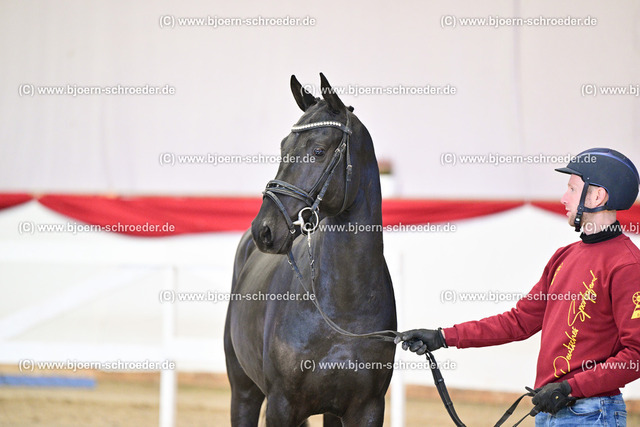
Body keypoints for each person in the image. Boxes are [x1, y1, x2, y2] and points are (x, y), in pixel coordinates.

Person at [397, 148, 640, 426]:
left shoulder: (627, 265)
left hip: (592, 413)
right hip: (551, 409)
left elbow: (636, 354)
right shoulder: (564, 256)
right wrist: (443, 337)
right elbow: (519, 321)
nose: (564, 198)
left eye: (572, 189)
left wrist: (571, 388)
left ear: (597, 196)